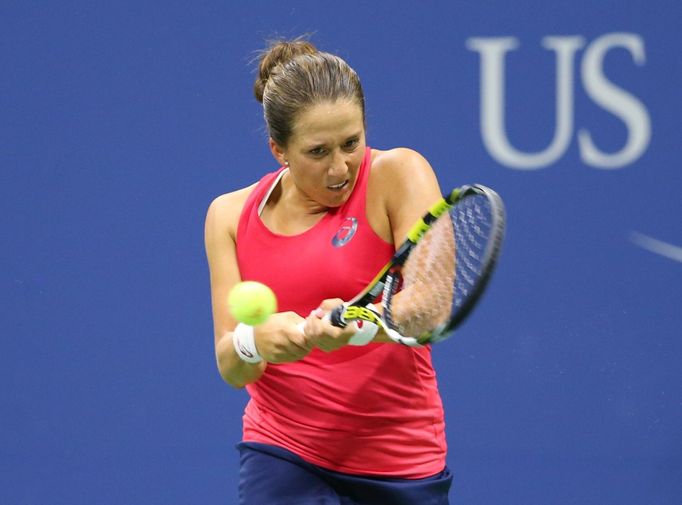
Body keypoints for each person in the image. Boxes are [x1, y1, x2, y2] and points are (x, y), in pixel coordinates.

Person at [204, 38, 452, 505]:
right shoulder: (228, 216)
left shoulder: (400, 174)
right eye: (318, 152)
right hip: (281, 451)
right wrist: (254, 341)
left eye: (351, 143)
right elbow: (230, 364)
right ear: (280, 150)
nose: (341, 168)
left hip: (399, 459)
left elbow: (430, 308)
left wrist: (359, 326)